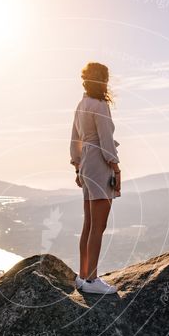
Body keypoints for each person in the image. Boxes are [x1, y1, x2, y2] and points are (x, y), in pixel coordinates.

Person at [69, 61, 121, 295]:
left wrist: (78, 165)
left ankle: (83, 276)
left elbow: (74, 139)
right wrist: (116, 168)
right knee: (99, 226)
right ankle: (91, 279)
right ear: (103, 81)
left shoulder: (81, 105)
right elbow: (106, 141)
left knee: (88, 224)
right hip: (99, 164)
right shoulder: (99, 106)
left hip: (86, 165)